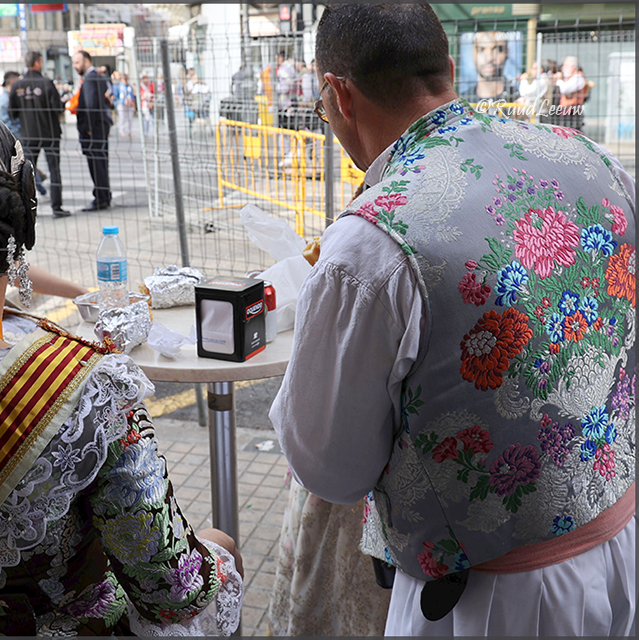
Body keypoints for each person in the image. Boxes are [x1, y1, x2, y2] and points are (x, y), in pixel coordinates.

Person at [272, 3, 635, 636]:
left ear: (338, 94)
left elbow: (330, 466)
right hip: (622, 541)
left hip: (492, 600)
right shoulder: (591, 160)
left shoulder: (372, 242)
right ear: (445, 68)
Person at [0, 99, 243, 636]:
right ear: (19, 228)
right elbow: (173, 594)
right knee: (222, 546)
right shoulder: (88, 393)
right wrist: (218, 554)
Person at [9, 51, 70, 218]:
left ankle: (27, 209)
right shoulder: (46, 83)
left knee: (27, 172)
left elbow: (12, 113)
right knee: (54, 169)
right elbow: (58, 108)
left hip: (28, 134)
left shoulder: (17, 86)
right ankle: (56, 207)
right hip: (49, 133)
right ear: (37, 63)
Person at [0, 70, 48, 199]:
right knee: (27, 165)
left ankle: (37, 189)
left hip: (14, 137)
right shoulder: (5, 100)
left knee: (25, 165)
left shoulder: (5, 98)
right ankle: (39, 190)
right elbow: (9, 123)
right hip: (16, 137)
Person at [72, 50, 113, 212]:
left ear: (86, 61)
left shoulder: (90, 79)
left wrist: (87, 128)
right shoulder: (97, 76)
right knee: (101, 162)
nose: (75, 66)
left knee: (96, 163)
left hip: (93, 128)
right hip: (99, 126)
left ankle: (101, 198)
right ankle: (104, 195)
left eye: (77, 62)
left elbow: (90, 105)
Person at [464, 31, 518, 106]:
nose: (489, 58)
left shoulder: (518, 98)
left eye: (498, 49)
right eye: (481, 49)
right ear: (473, 53)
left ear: (507, 52)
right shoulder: (462, 101)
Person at [553, 55, 588, 131]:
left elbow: (565, 89)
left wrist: (559, 80)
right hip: (567, 111)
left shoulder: (578, 77)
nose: (563, 68)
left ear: (573, 67)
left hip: (572, 112)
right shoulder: (571, 77)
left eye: (565, 66)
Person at [114, 71, 136, 138]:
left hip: (129, 104)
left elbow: (132, 94)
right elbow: (116, 95)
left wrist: (133, 101)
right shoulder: (118, 86)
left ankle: (130, 131)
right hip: (121, 104)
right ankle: (122, 131)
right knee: (122, 118)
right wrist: (118, 102)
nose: (125, 80)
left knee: (130, 118)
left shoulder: (129, 86)